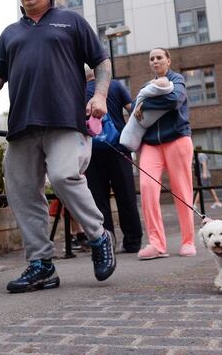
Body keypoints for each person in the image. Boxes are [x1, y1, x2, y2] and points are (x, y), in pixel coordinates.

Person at [0, 0, 117, 293]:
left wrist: (100, 95)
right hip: (22, 124)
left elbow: (101, 62)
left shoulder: (71, 21)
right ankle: (41, 264)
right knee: (21, 192)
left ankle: (99, 235)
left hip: (65, 120)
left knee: (63, 176)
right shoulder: (9, 34)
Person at [134, 48, 197, 259]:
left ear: (168, 61)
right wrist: (140, 103)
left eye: (159, 57)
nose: (155, 61)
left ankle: (188, 241)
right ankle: (156, 243)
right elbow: (135, 108)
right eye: (151, 58)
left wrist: (145, 103)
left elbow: (174, 100)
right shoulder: (146, 85)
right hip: (151, 143)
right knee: (147, 187)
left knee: (182, 190)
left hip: (177, 139)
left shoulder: (177, 79)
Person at [83, 67, 143, 253]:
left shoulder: (77, 90)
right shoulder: (115, 85)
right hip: (119, 148)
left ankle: (107, 242)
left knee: (98, 200)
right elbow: (132, 110)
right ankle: (133, 242)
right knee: (126, 196)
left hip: (91, 151)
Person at [119, 76, 173, 151]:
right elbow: (133, 106)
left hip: (166, 137)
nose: (154, 63)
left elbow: (174, 100)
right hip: (150, 139)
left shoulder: (174, 79)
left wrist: (143, 104)